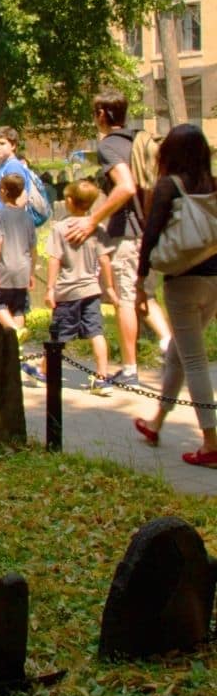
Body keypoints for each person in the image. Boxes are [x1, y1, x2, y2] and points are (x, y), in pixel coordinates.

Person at [64, 89, 172, 385]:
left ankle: (129, 368)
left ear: (101, 114)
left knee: (125, 300)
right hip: (149, 232)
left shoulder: (110, 145)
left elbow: (125, 187)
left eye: (95, 112)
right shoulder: (137, 139)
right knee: (141, 296)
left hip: (129, 234)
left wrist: (91, 221)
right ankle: (170, 346)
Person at [132, 124, 217, 466]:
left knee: (193, 360)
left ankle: (211, 441)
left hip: (183, 281)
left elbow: (151, 235)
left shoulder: (170, 186)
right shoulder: (213, 185)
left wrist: (140, 281)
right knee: (179, 356)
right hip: (214, 280)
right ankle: (156, 421)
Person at [38, 178, 117, 390]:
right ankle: (102, 377)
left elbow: (54, 260)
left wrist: (50, 289)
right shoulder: (97, 228)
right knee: (96, 332)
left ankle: (44, 370)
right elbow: (105, 260)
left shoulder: (60, 228)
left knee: (58, 336)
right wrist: (109, 287)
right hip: (91, 290)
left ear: (70, 201)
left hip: (68, 291)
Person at [0, 172, 36, 341]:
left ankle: (15, 331)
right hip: (23, 267)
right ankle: (17, 345)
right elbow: (33, 247)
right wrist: (31, 272)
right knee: (18, 308)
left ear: (4, 191)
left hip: (5, 267)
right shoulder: (27, 216)